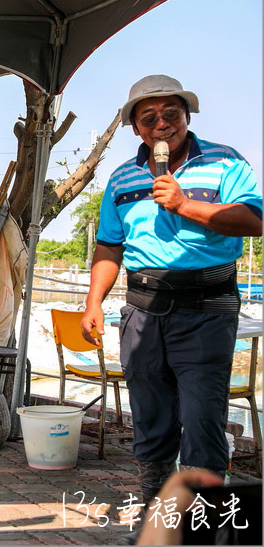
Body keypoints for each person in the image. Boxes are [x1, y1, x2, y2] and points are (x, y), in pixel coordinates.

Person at [81, 75, 262, 514]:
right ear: (135, 128)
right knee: (150, 415)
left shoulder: (225, 161)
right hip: (143, 310)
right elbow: (109, 245)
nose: (162, 125)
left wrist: (185, 205)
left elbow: (253, 219)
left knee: (202, 418)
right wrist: (93, 302)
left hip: (207, 308)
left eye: (171, 115)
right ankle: (156, 511)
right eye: (149, 118)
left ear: (187, 117)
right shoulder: (123, 176)